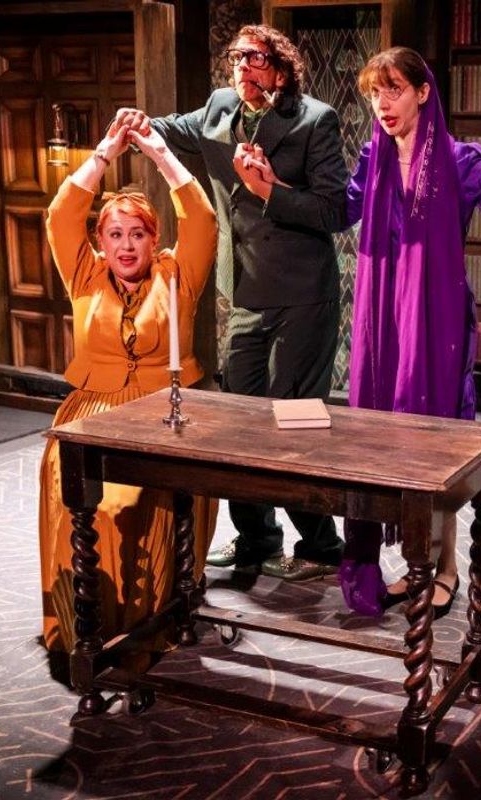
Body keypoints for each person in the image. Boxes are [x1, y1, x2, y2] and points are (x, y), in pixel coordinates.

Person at [246, 46, 481, 617]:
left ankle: (443, 567)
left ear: (422, 92)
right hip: (381, 320)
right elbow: (340, 212)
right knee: (375, 440)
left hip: (434, 321)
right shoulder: (372, 158)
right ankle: (386, 560)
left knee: (432, 446)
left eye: (393, 90)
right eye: (373, 93)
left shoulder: (464, 160)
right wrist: (273, 190)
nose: (382, 104)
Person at [116, 24, 348, 582]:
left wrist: (271, 191)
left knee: (292, 420)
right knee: (240, 419)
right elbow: (171, 130)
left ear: (282, 69)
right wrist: (136, 123)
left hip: (301, 296)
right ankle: (255, 538)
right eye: (237, 58)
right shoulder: (219, 109)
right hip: (243, 291)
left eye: (257, 58)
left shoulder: (314, 120)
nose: (243, 66)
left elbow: (335, 212)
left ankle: (319, 545)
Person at [38, 118, 218, 654]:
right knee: (77, 498)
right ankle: (84, 627)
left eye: (137, 233)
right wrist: (107, 151)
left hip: (164, 413)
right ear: (101, 241)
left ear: (153, 238)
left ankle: (152, 620)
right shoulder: (84, 274)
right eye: (115, 234)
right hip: (91, 412)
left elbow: (204, 220)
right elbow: (60, 215)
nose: (126, 245)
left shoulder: (176, 274)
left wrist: (159, 152)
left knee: (135, 504)